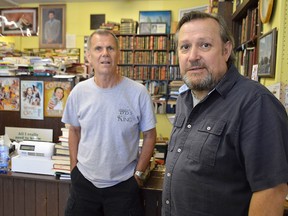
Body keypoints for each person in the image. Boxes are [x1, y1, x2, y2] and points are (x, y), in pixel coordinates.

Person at [162, 11, 288, 216]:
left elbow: (271, 190)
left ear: (226, 50)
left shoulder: (256, 103)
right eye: (185, 47)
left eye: (205, 45)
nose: (193, 56)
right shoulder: (186, 99)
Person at [62, 29, 157, 216]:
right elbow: (73, 130)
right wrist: (74, 169)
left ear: (118, 54)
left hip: (124, 187)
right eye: (98, 48)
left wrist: (138, 175)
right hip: (84, 185)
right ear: (89, 56)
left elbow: (149, 135)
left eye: (110, 48)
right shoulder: (78, 92)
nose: (105, 53)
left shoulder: (138, 93)